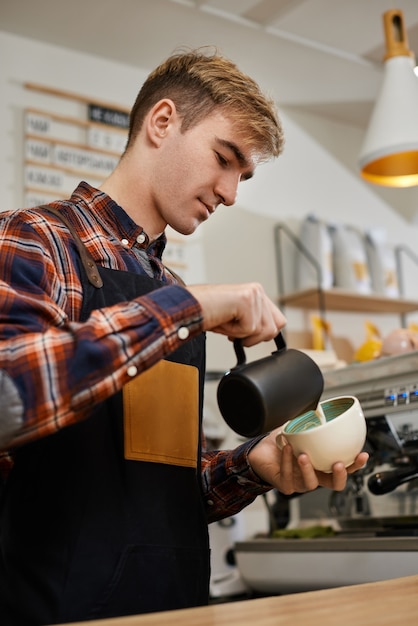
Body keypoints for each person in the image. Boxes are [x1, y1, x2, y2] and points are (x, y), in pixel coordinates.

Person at [0, 48, 368, 625]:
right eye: (224, 159)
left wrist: (253, 466)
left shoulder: (168, 290)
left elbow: (160, 490)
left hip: (178, 607)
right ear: (163, 122)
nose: (230, 193)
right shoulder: (38, 240)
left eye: (242, 176)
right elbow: (9, 393)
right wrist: (188, 306)